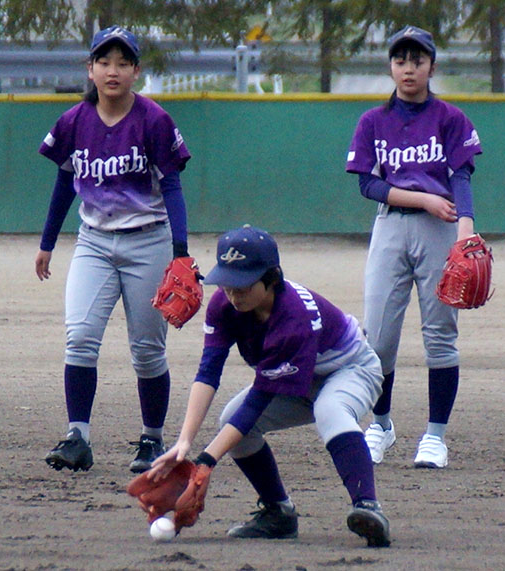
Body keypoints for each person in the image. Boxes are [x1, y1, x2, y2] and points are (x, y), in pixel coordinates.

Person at [147, 225, 391, 547]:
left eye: (243, 285)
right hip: (297, 377)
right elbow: (208, 372)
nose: (234, 294)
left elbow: (259, 401)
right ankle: (279, 513)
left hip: (351, 370)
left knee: (330, 409)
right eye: (228, 283)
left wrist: (205, 463)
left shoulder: (292, 320)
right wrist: (184, 443)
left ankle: (367, 506)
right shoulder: (224, 306)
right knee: (231, 422)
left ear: (271, 278)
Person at [35, 26, 193, 474]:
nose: (113, 70)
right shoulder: (74, 121)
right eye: (104, 62)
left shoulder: (154, 120)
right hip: (94, 243)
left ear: (136, 71)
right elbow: (65, 183)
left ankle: (151, 440)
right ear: (90, 69)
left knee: (146, 349)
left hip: (149, 240)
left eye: (124, 62)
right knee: (80, 337)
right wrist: (47, 243)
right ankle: (77, 437)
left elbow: (173, 185)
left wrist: (179, 251)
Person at [345, 26, 483, 469]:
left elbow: (461, 176)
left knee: (441, 336)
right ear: (391, 66)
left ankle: (435, 438)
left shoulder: (450, 118)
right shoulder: (372, 121)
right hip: (390, 227)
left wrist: (466, 230)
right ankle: (380, 426)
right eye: (401, 60)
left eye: (417, 60)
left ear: (431, 67)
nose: (409, 68)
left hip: (440, 231)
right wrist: (421, 197)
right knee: (378, 337)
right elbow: (368, 184)